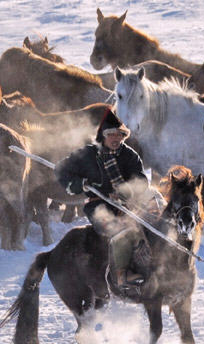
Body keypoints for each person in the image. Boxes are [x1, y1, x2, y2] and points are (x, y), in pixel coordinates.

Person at [55, 107, 158, 289]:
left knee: (157, 226)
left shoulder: (129, 155)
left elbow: (141, 180)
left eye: (120, 135)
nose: (116, 138)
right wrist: (81, 184)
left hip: (128, 204)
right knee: (122, 230)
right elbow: (61, 170)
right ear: (103, 135)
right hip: (99, 207)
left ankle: (157, 267)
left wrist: (124, 191)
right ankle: (121, 276)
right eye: (112, 134)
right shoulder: (87, 154)